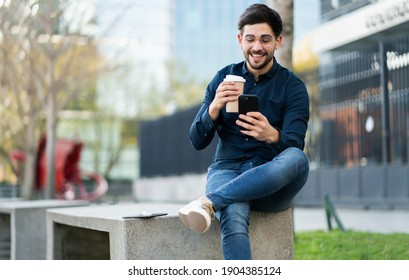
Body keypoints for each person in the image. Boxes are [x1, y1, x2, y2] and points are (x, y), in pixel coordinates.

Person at [178, 3, 310, 260]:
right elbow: (196, 140)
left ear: (278, 41)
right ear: (240, 40)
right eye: (250, 39)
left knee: (298, 159)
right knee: (234, 211)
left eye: (265, 39)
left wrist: (270, 134)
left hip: (270, 183)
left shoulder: (293, 87)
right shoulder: (223, 78)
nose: (257, 47)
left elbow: (295, 145)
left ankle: (209, 201)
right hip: (226, 169)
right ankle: (219, 201)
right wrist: (215, 106)